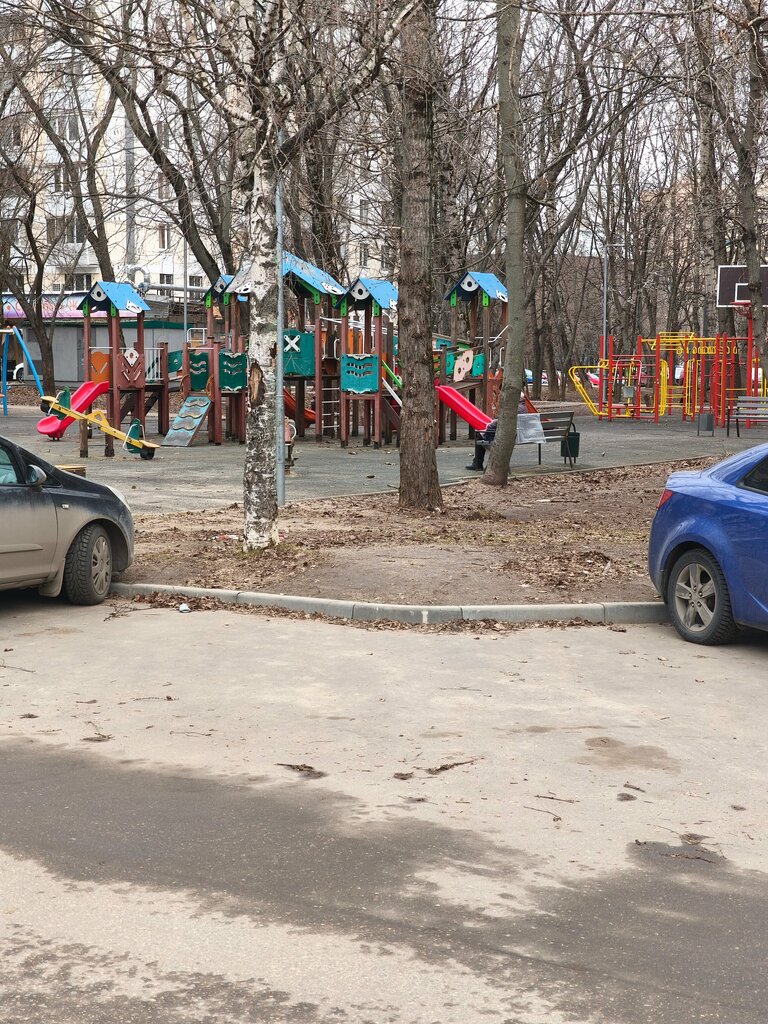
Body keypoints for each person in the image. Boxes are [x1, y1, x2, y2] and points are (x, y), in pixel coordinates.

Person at [465, 393, 529, 471]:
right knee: (483, 433)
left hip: (507, 435)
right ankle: (477, 463)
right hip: (516, 434)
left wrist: (492, 423)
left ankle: (477, 463)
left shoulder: (515, 409)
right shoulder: (523, 408)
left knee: (479, 435)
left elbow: (503, 421)